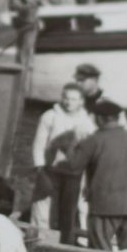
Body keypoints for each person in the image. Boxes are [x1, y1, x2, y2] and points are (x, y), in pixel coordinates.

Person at [64, 98, 127, 249]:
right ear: (117, 118)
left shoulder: (94, 141)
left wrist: (72, 145)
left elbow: (73, 167)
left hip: (104, 207)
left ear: (99, 119)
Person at [29, 82, 95, 243]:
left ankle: (68, 242)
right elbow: (38, 145)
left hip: (74, 173)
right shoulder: (49, 116)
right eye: (65, 98)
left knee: (73, 210)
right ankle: (39, 240)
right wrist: (40, 168)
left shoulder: (87, 122)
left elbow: (91, 151)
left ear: (81, 102)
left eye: (73, 99)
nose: (68, 102)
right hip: (50, 170)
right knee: (42, 208)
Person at [73, 62, 127, 129]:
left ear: (94, 80)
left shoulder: (110, 101)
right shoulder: (74, 100)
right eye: (76, 80)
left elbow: (124, 128)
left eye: (82, 80)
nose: (77, 83)